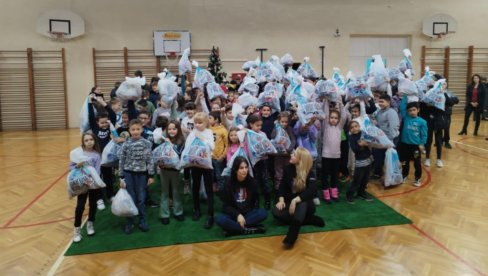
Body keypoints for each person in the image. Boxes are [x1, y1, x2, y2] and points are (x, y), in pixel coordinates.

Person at [272, 147, 325, 249]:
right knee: (276, 212)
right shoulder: (288, 168)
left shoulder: (309, 172)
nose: (291, 155)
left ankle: (292, 235)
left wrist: (296, 200)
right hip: (291, 204)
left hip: (305, 205)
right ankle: (308, 220)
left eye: (294, 154)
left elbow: (312, 191)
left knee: (302, 203)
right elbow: (282, 187)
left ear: (300, 159)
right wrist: (281, 200)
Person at [215, 156, 268, 236]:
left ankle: (233, 230)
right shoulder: (228, 183)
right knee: (219, 219)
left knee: (263, 213)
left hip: (247, 214)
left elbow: (255, 202)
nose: (244, 170)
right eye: (241, 168)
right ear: (236, 170)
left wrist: (248, 213)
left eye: (246, 167)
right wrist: (238, 215)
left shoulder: (252, 182)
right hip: (234, 215)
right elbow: (226, 206)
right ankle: (250, 229)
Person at [119, 119, 155, 234]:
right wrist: (121, 176)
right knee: (130, 198)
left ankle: (142, 220)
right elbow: (122, 160)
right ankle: (129, 221)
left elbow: (150, 160)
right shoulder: (126, 144)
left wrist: (150, 175)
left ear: (142, 130)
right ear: (129, 130)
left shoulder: (146, 143)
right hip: (128, 173)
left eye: (137, 129)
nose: (135, 132)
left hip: (142, 174)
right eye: (133, 129)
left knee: (141, 198)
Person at [70, 132, 102, 242]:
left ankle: (90, 224)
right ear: (83, 142)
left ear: (94, 141)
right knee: (80, 207)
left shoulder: (96, 155)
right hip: (82, 184)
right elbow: (71, 167)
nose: (89, 142)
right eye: (86, 140)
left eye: (91, 140)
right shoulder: (79, 153)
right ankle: (76, 230)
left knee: (92, 205)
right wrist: (77, 166)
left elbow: (98, 171)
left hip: (92, 184)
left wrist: (92, 181)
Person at [186, 112, 215, 229]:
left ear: (206, 123)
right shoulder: (192, 133)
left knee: (209, 188)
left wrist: (203, 139)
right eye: (195, 123)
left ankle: (210, 214)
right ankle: (196, 209)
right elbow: (187, 147)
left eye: (200, 122)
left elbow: (212, 147)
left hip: (207, 165)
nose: (197, 125)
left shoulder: (209, 132)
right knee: (195, 187)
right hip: (195, 164)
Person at [321, 99, 349, 203]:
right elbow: (326, 113)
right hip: (326, 155)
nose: (333, 119)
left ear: (338, 120)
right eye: (331, 118)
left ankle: (333, 191)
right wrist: (327, 101)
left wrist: (341, 103)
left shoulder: (339, 127)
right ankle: (325, 192)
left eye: (335, 118)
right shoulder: (326, 125)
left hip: (336, 156)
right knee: (325, 175)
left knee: (334, 174)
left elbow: (344, 116)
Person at [158, 120, 185, 224]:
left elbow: (180, 154)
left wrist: (171, 145)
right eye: (169, 129)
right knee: (164, 192)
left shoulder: (181, 141)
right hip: (164, 170)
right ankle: (164, 214)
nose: (172, 131)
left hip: (175, 170)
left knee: (176, 191)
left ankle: (178, 212)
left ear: (178, 129)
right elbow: (159, 154)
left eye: (174, 129)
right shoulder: (163, 140)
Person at [398, 97, 427, 187]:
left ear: (418, 110)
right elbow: (402, 107)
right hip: (404, 145)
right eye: (410, 110)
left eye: (414, 110)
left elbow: (424, 134)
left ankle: (417, 178)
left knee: (417, 163)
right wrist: (405, 96)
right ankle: (404, 175)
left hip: (415, 146)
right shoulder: (406, 117)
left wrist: (422, 144)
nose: (412, 112)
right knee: (405, 162)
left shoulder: (422, 122)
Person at [371, 94, 400, 179]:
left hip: (391, 138)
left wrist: (390, 141)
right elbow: (377, 122)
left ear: (388, 102)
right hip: (382, 137)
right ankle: (377, 173)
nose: (380, 103)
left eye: (382, 101)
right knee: (378, 155)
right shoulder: (379, 111)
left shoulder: (391, 112)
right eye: (379, 101)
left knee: (389, 158)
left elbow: (393, 127)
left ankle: (391, 176)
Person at [346, 120, 374, 203]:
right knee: (357, 180)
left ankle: (361, 193)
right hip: (360, 162)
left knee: (365, 179)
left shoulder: (363, 133)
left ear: (359, 126)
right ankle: (349, 195)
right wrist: (360, 145)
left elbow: (370, 142)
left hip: (368, 160)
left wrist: (368, 143)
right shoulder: (351, 138)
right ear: (350, 130)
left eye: (356, 126)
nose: (354, 129)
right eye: (352, 127)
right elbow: (355, 149)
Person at [270, 111, 296, 191]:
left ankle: (288, 188)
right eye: (282, 122)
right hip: (279, 155)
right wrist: (276, 127)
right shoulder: (276, 128)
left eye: (286, 122)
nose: (284, 124)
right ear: (279, 121)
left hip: (287, 155)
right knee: (278, 172)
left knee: (288, 172)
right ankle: (278, 189)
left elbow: (293, 140)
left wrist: (289, 149)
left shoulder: (289, 129)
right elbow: (272, 137)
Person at [209, 111, 228, 192]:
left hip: (218, 157)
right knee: (211, 174)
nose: (208, 119)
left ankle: (221, 189)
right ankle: (213, 187)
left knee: (219, 174)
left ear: (216, 120)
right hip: (209, 157)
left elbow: (227, 144)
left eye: (210, 118)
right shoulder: (208, 128)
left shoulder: (223, 130)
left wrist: (223, 156)